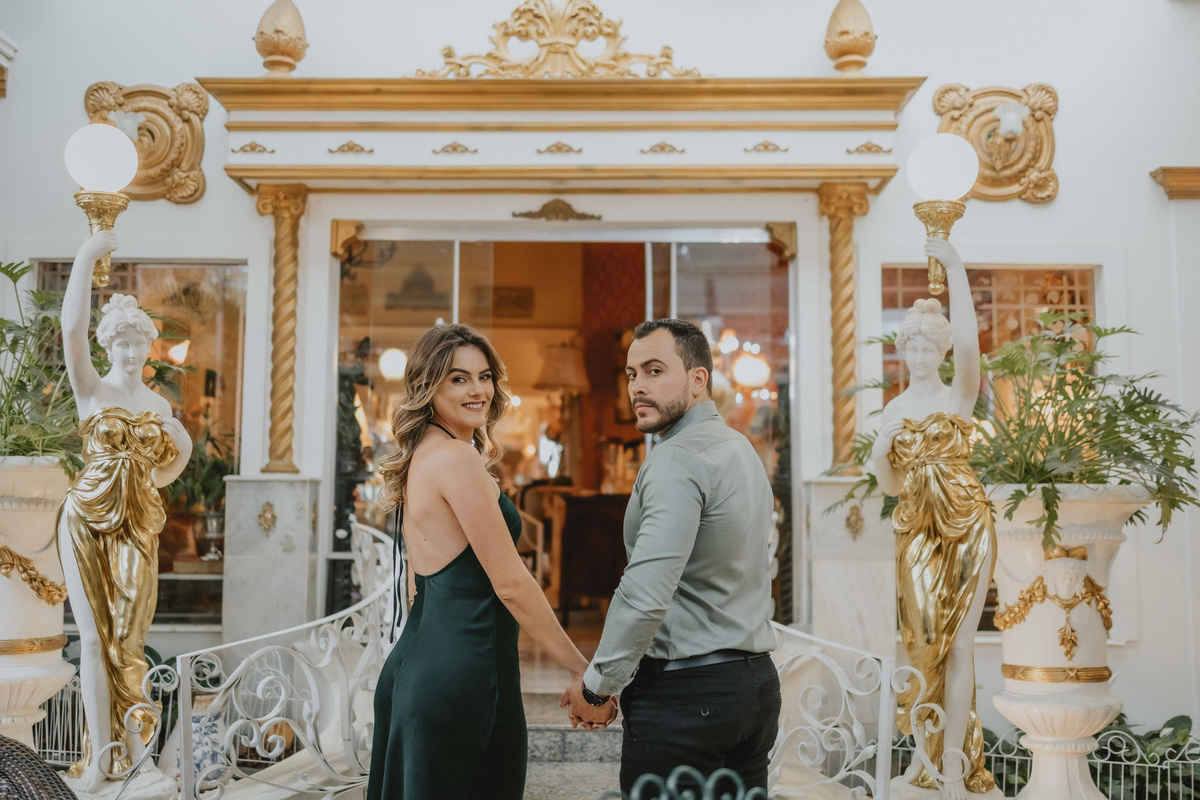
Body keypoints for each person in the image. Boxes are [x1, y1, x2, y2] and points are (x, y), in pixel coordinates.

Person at [367, 323, 614, 800]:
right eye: (458, 378)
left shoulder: (424, 455)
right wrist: (584, 674)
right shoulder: (456, 460)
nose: (478, 390)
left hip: (418, 670)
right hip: (466, 678)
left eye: (484, 377)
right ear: (428, 386)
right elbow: (512, 585)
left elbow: (418, 585)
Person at [561, 318, 780, 794]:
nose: (637, 387)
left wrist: (598, 686)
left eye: (655, 370)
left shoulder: (677, 458)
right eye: (632, 374)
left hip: (688, 698)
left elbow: (645, 591)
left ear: (699, 379)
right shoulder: (741, 449)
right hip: (755, 689)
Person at [56, 231, 192, 791]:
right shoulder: (92, 389)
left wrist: (166, 468)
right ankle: (102, 758)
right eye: (122, 344)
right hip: (86, 517)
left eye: (139, 344)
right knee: (92, 639)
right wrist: (87, 256)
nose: (131, 353)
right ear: (108, 346)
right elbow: (70, 330)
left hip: (137, 526)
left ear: (149, 347)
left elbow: (172, 460)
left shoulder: (159, 405)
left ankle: (140, 759)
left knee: (129, 642)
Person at [870, 238, 997, 800]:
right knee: (920, 644)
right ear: (903, 351)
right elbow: (892, 487)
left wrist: (955, 268)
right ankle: (925, 759)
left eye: (930, 346)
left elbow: (972, 347)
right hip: (916, 531)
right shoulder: (894, 410)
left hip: (967, 520)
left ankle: (951, 769)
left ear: (942, 351)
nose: (920, 355)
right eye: (913, 346)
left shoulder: (958, 397)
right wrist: (880, 453)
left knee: (962, 645)